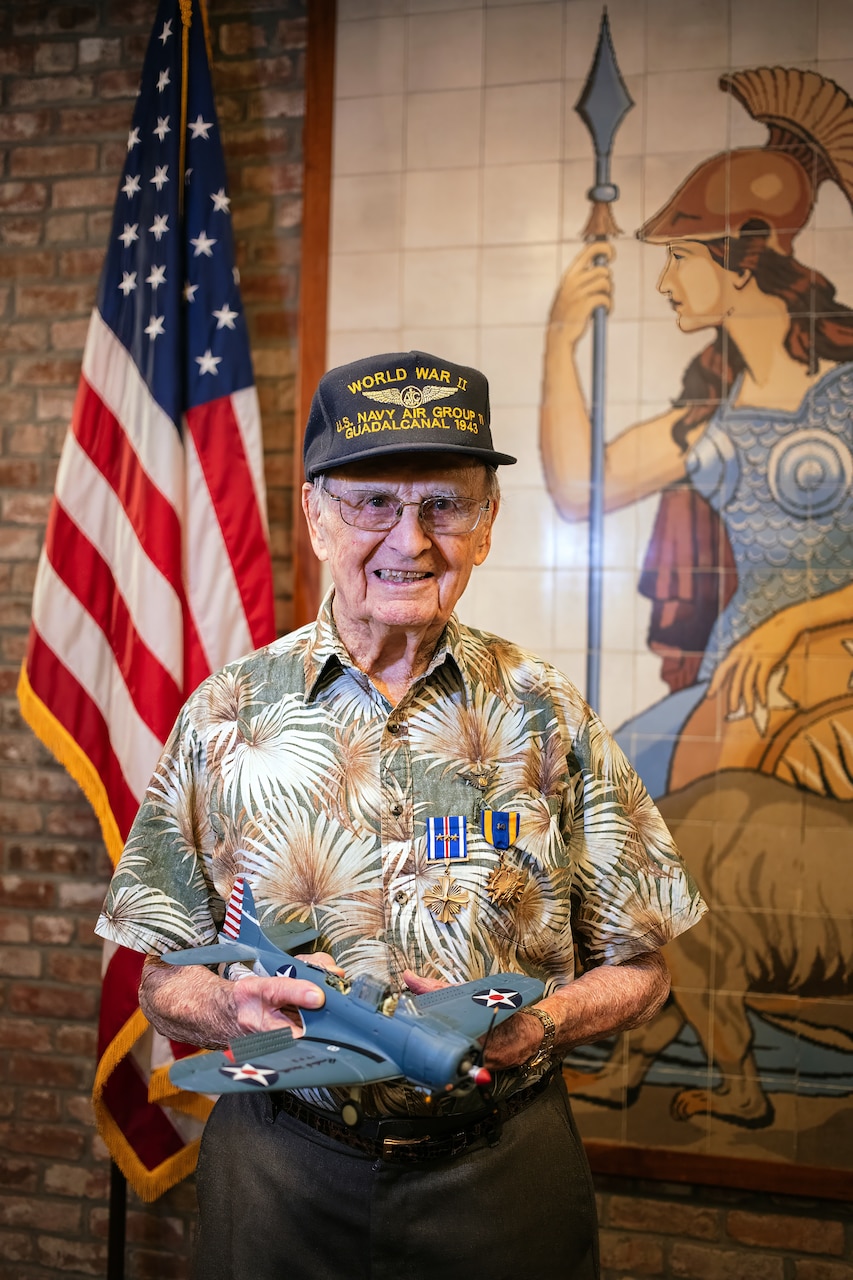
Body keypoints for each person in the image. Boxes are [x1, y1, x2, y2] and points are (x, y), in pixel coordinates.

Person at [96, 349, 706, 1280]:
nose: (409, 541)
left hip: (503, 1173)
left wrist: (534, 1027)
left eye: (444, 505)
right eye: (371, 502)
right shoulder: (222, 716)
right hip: (277, 1168)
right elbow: (156, 979)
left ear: (487, 524)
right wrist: (228, 1006)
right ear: (313, 513)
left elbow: (644, 968)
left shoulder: (548, 712)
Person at [540, 66, 853, 801]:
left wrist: (786, 628)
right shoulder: (711, 419)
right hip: (731, 678)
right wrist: (560, 343)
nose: (664, 281)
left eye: (680, 257)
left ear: (744, 257)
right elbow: (581, 492)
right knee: (586, 803)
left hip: (818, 661)